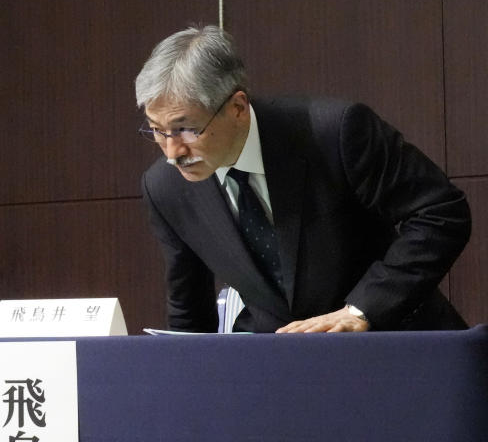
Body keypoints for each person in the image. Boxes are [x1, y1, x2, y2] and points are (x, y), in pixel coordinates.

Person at [137, 25, 471, 333]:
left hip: (398, 345)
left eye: (186, 129)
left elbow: (440, 213)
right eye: (156, 129)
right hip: (285, 375)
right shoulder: (166, 187)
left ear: (237, 107)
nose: (172, 151)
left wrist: (362, 310)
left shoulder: (334, 132)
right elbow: (189, 311)